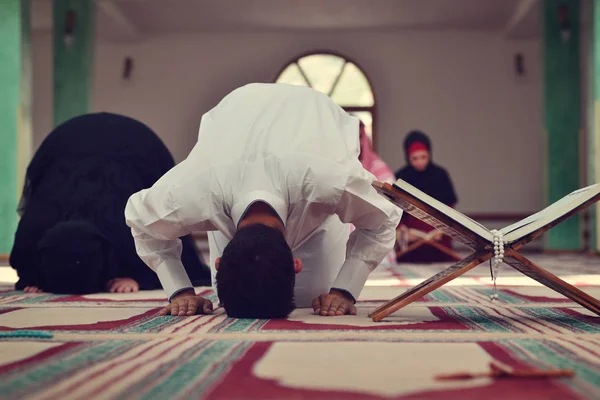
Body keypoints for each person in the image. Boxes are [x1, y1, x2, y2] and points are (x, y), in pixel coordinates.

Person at [125, 83, 401, 319]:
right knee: (235, 298)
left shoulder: (327, 180)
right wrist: (179, 290)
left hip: (316, 119)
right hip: (236, 117)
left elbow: (385, 215)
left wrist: (345, 289)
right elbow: (140, 220)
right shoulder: (196, 189)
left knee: (311, 298)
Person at [10, 113, 210, 294]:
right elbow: (26, 262)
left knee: (157, 213)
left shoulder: (130, 223)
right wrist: (35, 278)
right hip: (64, 145)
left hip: (136, 146)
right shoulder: (35, 230)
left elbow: (164, 236)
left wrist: (139, 277)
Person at [394, 130, 458, 263]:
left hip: (439, 241)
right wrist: (403, 230)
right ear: (407, 157)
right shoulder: (401, 177)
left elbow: (450, 207)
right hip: (411, 245)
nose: (420, 162)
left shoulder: (440, 175)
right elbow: (395, 208)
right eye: (415, 158)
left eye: (423, 157)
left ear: (429, 155)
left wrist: (442, 229)